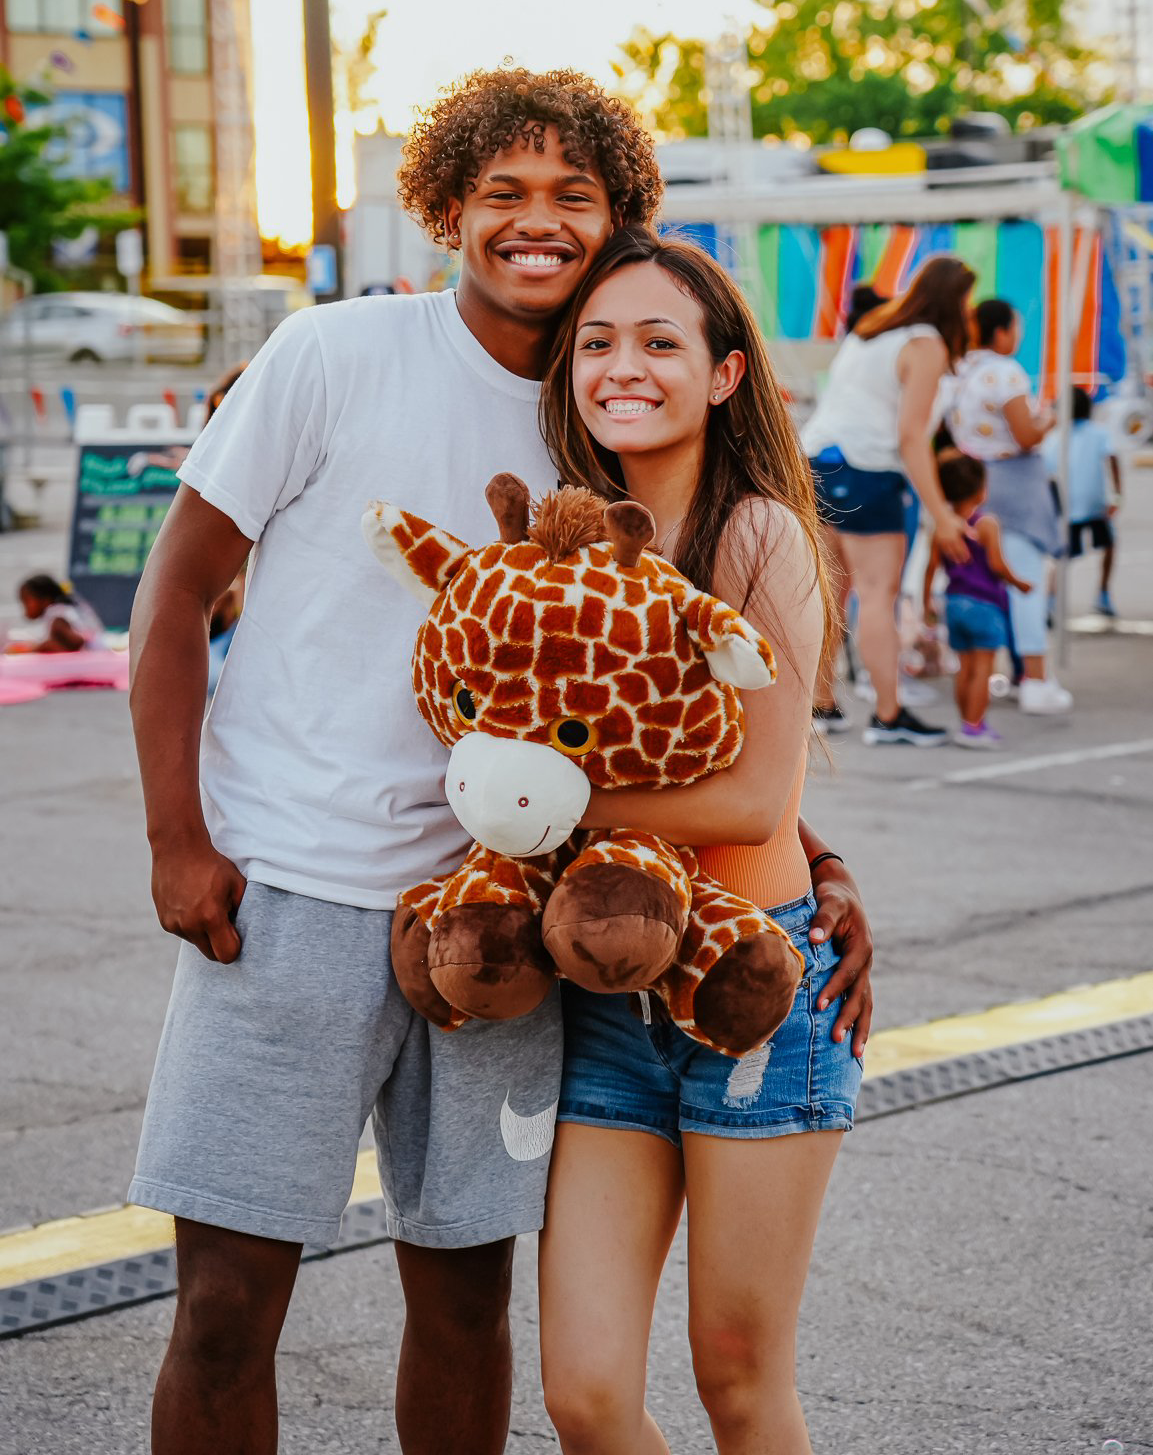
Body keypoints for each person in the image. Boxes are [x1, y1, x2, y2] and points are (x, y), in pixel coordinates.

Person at [126, 69, 875, 1455]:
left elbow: (657, 694)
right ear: (445, 207)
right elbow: (171, 597)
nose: (535, 223)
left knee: (468, 1304)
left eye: (572, 198)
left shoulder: (598, 422)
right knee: (225, 1305)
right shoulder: (329, 355)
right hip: (289, 894)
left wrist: (808, 858)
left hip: (515, 926)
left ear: (618, 220)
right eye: (503, 194)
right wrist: (178, 836)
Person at [536, 230, 870, 1455]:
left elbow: (747, 800)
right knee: (582, 1393)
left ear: (725, 374)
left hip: (757, 989)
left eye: (660, 342)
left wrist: (537, 801)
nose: (623, 366)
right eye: (599, 342)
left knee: (736, 1379)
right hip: (607, 991)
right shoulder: (562, 546)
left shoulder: (757, 534)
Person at [802, 257, 975, 745]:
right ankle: (888, 714)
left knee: (829, 593)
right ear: (955, 302)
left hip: (816, 460)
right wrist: (941, 513)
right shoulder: (925, 344)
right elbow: (911, 436)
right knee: (878, 595)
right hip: (869, 469)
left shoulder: (871, 330)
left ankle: (822, 705)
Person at [949, 298, 1071, 714]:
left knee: (988, 581)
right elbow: (1025, 435)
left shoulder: (962, 370)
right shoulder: (1006, 372)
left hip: (976, 480)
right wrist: (1049, 419)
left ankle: (1007, 673)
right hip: (1015, 484)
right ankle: (1034, 677)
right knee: (1026, 583)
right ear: (1001, 331)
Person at [923, 451, 1033, 749]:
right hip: (986, 605)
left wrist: (926, 605)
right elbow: (997, 565)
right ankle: (975, 726)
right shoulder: (987, 524)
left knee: (965, 668)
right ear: (981, 489)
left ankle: (965, 722)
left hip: (955, 604)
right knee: (983, 668)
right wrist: (1019, 582)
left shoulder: (942, 528)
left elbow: (931, 568)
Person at [1043, 386, 1122, 618]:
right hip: (1094, 503)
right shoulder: (1098, 433)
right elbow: (1113, 459)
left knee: (1060, 557)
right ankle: (1103, 593)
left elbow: (1046, 473)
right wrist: (1117, 494)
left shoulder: (1055, 437)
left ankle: (1050, 601)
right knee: (1108, 546)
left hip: (1068, 504)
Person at [7, 574, 103, 653]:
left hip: (92, 665)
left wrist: (44, 647)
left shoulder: (57, 616)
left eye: (27, 601)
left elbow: (76, 642)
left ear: (45, 600)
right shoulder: (66, 610)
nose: (25, 606)